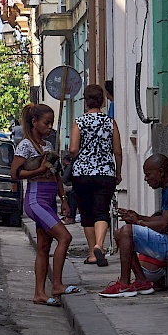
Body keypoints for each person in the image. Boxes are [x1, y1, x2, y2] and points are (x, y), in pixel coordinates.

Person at [11, 104, 79, 306]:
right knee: (65, 236)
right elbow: (14, 174)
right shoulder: (25, 146)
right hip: (36, 199)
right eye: (46, 123)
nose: (50, 127)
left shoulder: (48, 146)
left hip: (49, 200)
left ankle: (39, 293)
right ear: (34, 122)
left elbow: (57, 175)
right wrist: (38, 171)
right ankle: (56, 284)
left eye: (51, 123)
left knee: (43, 246)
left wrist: (64, 200)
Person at [100, 155, 168, 297]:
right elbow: (162, 218)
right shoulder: (165, 189)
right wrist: (138, 217)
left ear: (161, 172)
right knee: (121, 233)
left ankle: (125, 284)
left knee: (125, 232)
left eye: (148, 175)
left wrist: (138, 222)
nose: (146, 179)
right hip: (167, 242)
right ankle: (140, 281)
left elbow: (164, 225)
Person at [70, 83, 122, 267]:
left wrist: (79, 156)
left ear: (86, 102)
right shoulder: (110, 122)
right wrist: (118, 172)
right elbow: (117, 151)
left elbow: (73, 149)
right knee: (102, 211)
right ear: (102, 101)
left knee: (87, 213)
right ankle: (100, 245)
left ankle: (92, 253)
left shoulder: (79, 121)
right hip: (105, 173)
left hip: (82, 174)